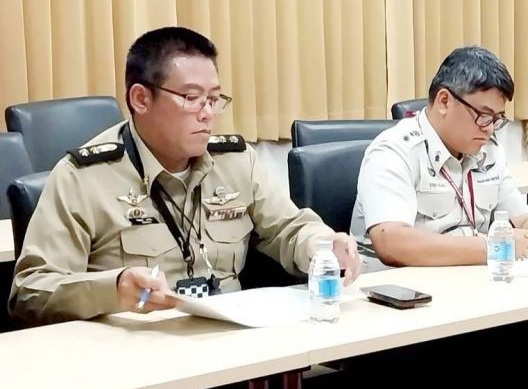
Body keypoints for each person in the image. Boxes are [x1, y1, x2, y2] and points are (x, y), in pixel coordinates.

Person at [9, 26, 362, 326]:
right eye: (192, 98)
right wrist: (113, 289)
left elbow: (289, 228)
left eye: (214, 99)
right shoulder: (84, 177)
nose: (207, 114)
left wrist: (322, 246)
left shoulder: (235, 162)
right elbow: (30, 291)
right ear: (140, 99)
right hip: (135, 358)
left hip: (232, 345)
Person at [350, 46, 528, 268]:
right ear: (444, 101)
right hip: (401, 294)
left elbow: (522, 221)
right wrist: (491, 247)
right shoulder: (394, 151)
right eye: (483, 115)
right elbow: (392, 241)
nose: (490, 128)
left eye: (497, 119)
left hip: (468, 283)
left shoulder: (487, 150)